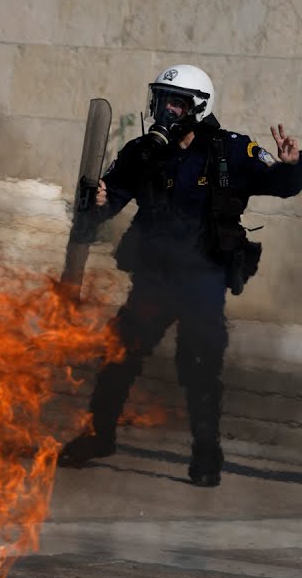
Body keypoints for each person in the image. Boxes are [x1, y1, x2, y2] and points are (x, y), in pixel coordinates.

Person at [57, 65, 302, 488]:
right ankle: (98, 436)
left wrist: (292, 165)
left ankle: (206, 453)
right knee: (119, 354)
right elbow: (106, 206)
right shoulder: (141, 152)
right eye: (162, 99)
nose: (167, 109)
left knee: (200, 365)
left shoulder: (232, 150)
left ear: (198, 107)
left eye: (177, 101)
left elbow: (283, 185)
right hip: (153, 277)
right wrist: (93, 199)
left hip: (203, 279)